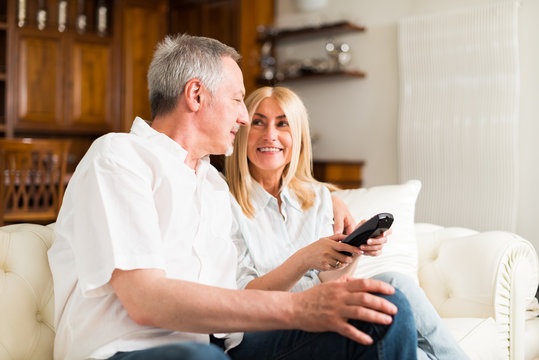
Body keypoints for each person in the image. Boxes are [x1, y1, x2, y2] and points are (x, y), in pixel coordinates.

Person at [47, 34, 418, 360]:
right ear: (196, 95)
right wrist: (297, 307)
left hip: (221, 347)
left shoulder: (211, 184)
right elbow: (146, 301)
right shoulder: (119, 157)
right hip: (127, 351)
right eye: (238, 99)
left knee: (387, 309)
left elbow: (234, 296)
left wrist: (331, 214)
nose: (243, 117)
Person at [225, 86, 470, 360]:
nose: (269, 134)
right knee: (389, 309)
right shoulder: (224, 202)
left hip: (315, 314)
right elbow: (244, 298)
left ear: (298, 138)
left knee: (394, 284)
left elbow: (333, 279)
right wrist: (304, 259)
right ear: (242, 130)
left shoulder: (315, 198)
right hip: (259, 332)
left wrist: (352, 250)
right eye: (258, 122)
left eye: (282, 124)